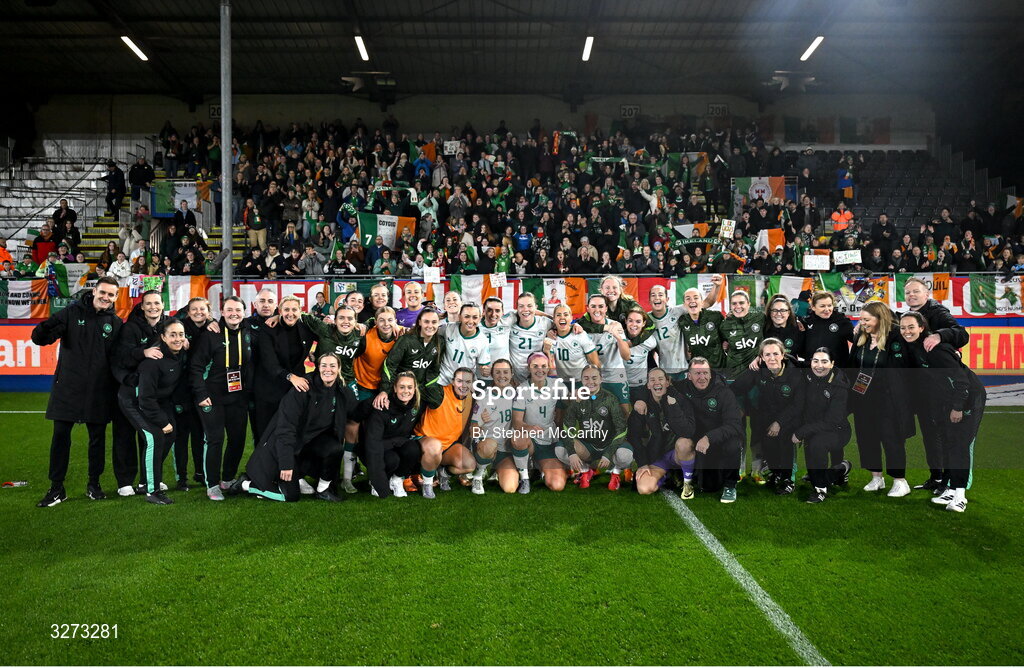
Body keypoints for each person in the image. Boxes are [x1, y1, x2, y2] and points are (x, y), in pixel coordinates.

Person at [32, 277, 123, 507]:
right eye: (103, 292)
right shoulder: (72, 313)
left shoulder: (116, 322)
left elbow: (119, 359)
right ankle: (56, 488)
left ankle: (94, 484)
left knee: (97, 440)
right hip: (68, 389)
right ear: (94, 291)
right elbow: (41, 338)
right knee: (60, 438)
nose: (106, 297)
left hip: (99, 392)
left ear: (116, 297)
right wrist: (44, 328)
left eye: (111, 295)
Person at [231, 353, 354, 503]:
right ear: (318, 368)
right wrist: (286, 463)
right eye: (324, 365)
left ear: (339, 368)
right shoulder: (302, 388)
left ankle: (323, 489)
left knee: (335, 448)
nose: (328, 370)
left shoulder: (340, 390)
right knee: (290, 495)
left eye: (333, 366)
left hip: (305, 447)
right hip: (284, 448)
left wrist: (382, 398)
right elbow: (285, 430)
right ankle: (245, 484)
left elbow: (357, 411)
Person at [899, 312, 985, 513]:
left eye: (911, 327)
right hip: (946, 401)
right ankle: (951, 489)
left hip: (968, 399)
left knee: (958, 446)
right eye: (903, 327)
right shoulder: (917, 347)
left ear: (922, 328)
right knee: (947, 444)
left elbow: (962, 381)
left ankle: (960, 497)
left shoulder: (935, 350)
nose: (906, 331)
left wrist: (958, 408)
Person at [901, 277, 970, 491]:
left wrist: (940, 335)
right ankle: (936, 477)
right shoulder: (907, 317)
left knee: (945, 436)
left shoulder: (938, 312)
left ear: (927, 294)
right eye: (908, 292)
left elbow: (962, 334)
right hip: (922, 389)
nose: (911, 295)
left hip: (943, 389)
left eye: (916, 291)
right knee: (930, 435)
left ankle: (950, 483)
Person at [190, 296, 255, 501]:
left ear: (244, 312)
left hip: (238, 396)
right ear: (222, 312)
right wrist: (201, 394)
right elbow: (196, 367)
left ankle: (227, 478)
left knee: (237, 440)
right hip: (212, 397)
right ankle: (211, 484)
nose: (234, 313)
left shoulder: (249, 331)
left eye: (238, 309)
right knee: (215, 439)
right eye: (229, 310)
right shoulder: (211, 334)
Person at [849, 302, 915, 498]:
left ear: (880, 318)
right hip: (862, 398)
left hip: (888, 400)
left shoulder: (896, 337)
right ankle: (876, 477)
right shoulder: (861, 337)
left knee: (891, 439)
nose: (862, 323)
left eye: (867, 320)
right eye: (861, 319)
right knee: (866, 438)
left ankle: (900, 481)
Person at [117, 320, 186, 505]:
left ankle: (144, 482)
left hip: (157, 400)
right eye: (172, 334)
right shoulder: (153, 362)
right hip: (135, 400)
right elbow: (145, 399)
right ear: (163, 337)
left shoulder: (180, 354)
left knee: (170, 435)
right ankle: (152, 491)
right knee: (154, 437)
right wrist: (163, 422)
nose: (177, 338)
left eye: (181, 334)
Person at [110, 290, 171, 496]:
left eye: (157, 303)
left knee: (154, 435)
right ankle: (124, 481)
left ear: (163, 305)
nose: (153, 307)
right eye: (149, 304)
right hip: (129, 389)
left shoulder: (169, 324)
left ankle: (147, 479)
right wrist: (143, 352)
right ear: (142, 307)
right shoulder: (130, 328)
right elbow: (121, 358)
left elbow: (187, 326)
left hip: (153, 392)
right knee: (124, 435)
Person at [731, 338, 805, 495]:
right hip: (767, 416)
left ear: (783, 354)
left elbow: (797, 405)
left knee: (785, 439)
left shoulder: (795, 374)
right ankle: (776, 474)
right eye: (767, 354)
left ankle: (787, 480)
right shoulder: (758, 370)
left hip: (790, 417)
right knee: (766, 441)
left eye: (776, 354)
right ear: (761, 357)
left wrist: (779, 422)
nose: (772, 358)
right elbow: (736, 387)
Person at [676, 358, 744, 503]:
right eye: (697, 373)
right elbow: (659, 385)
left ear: (711, 374)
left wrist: (709, 438)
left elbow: (734, 425)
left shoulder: (724, 393)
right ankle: (683, 477)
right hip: (696, 439)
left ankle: (730, 486)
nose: (702, 377)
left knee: (734, 443)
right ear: (689, 376)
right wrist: (641, 400)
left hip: (719, 439)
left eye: (705, 373)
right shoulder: (681, 388)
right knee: (707, 486)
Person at [793, 348, 853, 504]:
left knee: (816, 445)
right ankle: (839, 470)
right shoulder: (809, 370)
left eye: (824, 362)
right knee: (813, 474)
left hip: (837, 430)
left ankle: (821, 490)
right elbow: (792, 360)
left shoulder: (839, 385)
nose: (819, 366)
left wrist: (801, 432)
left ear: (832, 364)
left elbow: (832, 421)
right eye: (815, 361)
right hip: (814, 427)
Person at [557, 365, 631, 491]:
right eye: (586, 378)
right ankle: (586, 471)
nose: (590, 382)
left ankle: (616, 473)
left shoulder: (610, 399)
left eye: (594, 378)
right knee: (561, 450)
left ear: (601, 379)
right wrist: (572, 453)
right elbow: (566, 427)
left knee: (624, 455)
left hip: (609, 445)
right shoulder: (578, 400)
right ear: (581, 380)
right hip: (589, 446)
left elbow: (622, 429)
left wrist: (608, 454)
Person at [253, 296, 316, 438]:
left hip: (293, 392)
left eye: (294, 309)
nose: (290, 313)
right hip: (269, 390)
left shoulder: (306, 328)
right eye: (286, 309)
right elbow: (270, 363)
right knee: (266, 436)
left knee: (291, 435)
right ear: (280, 311)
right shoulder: (269, 328)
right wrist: (291, 377)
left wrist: (315, 356)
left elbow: (326, 336)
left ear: (301, 311)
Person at [629, 368, 695, 496]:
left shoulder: (680, 400)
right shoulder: (642, 405)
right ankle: (667, 476)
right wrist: (642, 464)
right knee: (644, 488)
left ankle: (688, 482)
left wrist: (674, 408)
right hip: (658, 456)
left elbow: (688, 431)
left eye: (660, 379)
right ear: (647, 385)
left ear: (667, 382)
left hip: (677, 453)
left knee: (684, 444)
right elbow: (634, 436)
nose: (656, 383)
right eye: (652, 380)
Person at [359, 371, 425, 498]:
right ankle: (376, 481)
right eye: (402, 387)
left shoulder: (417, 405)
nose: (406, 391)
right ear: (394, 388)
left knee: (413, 449)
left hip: (396, 445)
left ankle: (396, 479)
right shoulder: (382, 405)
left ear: (415, 388)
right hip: (375, 448)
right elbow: (373, 445)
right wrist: (379, 484)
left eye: (410, 387)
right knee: (392, 460)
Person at [510, 352, 570, 493]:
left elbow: (571, 405)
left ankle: (539, 466)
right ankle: (525, 478)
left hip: (549, 440)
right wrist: (528, 427)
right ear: (529, 368)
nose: (540, 369)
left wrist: (579, 398)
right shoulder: (522, 389)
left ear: (548, 368)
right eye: (535, 366)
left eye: (544, 366)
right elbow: (517, 422)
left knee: (557, 485)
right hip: (530, 439)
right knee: (518, 436)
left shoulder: (557, 385)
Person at [414, 367, 475, 499]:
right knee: (435, 446)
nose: (463, 385)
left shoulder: (470, 398)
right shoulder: (440, 393)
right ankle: (428, 484)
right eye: (459, 381)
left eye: (468, 382)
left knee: (469, 464)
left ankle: (444, 473)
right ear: (452, 381)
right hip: (425, 440)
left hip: (447, 446)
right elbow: (419, 387)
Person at [576, 294, 631, 409]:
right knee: (592, 414)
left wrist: (618, 337)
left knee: (623, 411)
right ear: (588, 308)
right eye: (593, 306)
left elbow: (626, 356)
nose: (597, 310)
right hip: (591, 377)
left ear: (606, 308)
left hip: (615, 376)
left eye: (601, 306)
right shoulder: (580, 327)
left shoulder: (615, 325)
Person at [472, 359, 516, 494]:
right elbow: (472, 428)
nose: (501, 376)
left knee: (510, 488)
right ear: (492, 374)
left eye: (505, 372)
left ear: (512, 374)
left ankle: (494, 470)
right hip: (486, 445)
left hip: (505, 450)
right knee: (490, 445)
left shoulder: (517, 395)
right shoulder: (484, 396)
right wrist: (480, 423)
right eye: (497, 372)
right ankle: (478, 475)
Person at [437, 303, 492, 385]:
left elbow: (484, 367)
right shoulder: (447, 328)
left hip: (464, 384)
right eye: (466, 316)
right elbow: (429, 333)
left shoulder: (483, 341)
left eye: (475, 317)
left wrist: (486, 371)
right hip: (443, 381)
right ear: (459, 317)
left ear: (480, 319)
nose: (470, 321)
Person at [547, 304, 600, 383]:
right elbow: (549, 368)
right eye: (558, 315)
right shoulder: (551, 337)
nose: (562, 317)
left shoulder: (580, 334)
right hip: (562, 383)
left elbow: (595, 362)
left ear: (571, 318)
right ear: (554, 319)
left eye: (566, 314)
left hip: (581, 382)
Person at [800, 292, 854, 369]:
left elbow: (857, 341)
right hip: (812, 370)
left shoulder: (841, 321)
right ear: (813, 307)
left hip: (837, 370)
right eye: (822, 306)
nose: (827, 309)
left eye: (829, 305)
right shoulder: (806, 322)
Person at [646, 284, 688, 381]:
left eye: (660, 295)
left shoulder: (677, 311)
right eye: (653, 295)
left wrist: (716, 287)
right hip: (665, 370)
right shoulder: (646, 319)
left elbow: (703, 304)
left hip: (684, 368)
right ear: (649, 300)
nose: (657, 298)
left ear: (667, 299)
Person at [678, 286, 725, 370]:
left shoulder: (715, 317)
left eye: (696, 298)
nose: (692, 301)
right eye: (688, 298)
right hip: (698, 369)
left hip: (719, 368)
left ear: (702, 302)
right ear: (684, 304)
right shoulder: (682, 321)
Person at [623, 309, 659, 404]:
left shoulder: (650, 342)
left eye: (638, 321)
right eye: (630, 320)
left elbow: (655, 355)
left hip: (639, 385)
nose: (633, 324)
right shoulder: (617, 338)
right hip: (620, 384)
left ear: (644, 323)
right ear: (625, 321)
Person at [763, 295, 805, 360]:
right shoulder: (763, 330)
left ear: (788, 313)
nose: (779, 314)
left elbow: (802, 353)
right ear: (770, 312)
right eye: (775, 310)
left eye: (782, 310)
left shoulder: (798, 328)